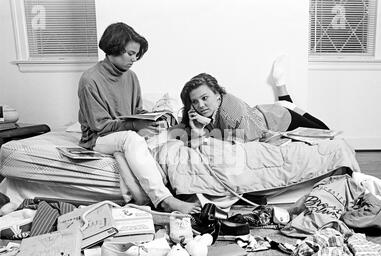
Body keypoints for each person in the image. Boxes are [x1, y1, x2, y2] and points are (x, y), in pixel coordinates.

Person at [77, 22, 200, 214]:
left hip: (124, 129)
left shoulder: (131, 77)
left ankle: (184, 189)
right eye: (130, 53)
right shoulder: (89, 80)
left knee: (172, 134)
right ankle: (163, 199)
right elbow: (99, 125)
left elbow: (135, 111)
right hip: (98, 138)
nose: (134, 59)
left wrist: (154, 120)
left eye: (137, 55)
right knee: (131, 139)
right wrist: (134, 125)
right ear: (113, 48)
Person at [178, 55, 329, 145]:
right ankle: (283, 96)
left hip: (281, 118)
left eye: (204, 98)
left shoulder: (231, 113)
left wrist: (204, 132)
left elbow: (243, 145)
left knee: (327, 134)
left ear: (217, 94)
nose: (200, 105)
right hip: (262, 112)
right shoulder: (207, 111)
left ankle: (283, 94)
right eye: (195, 102)